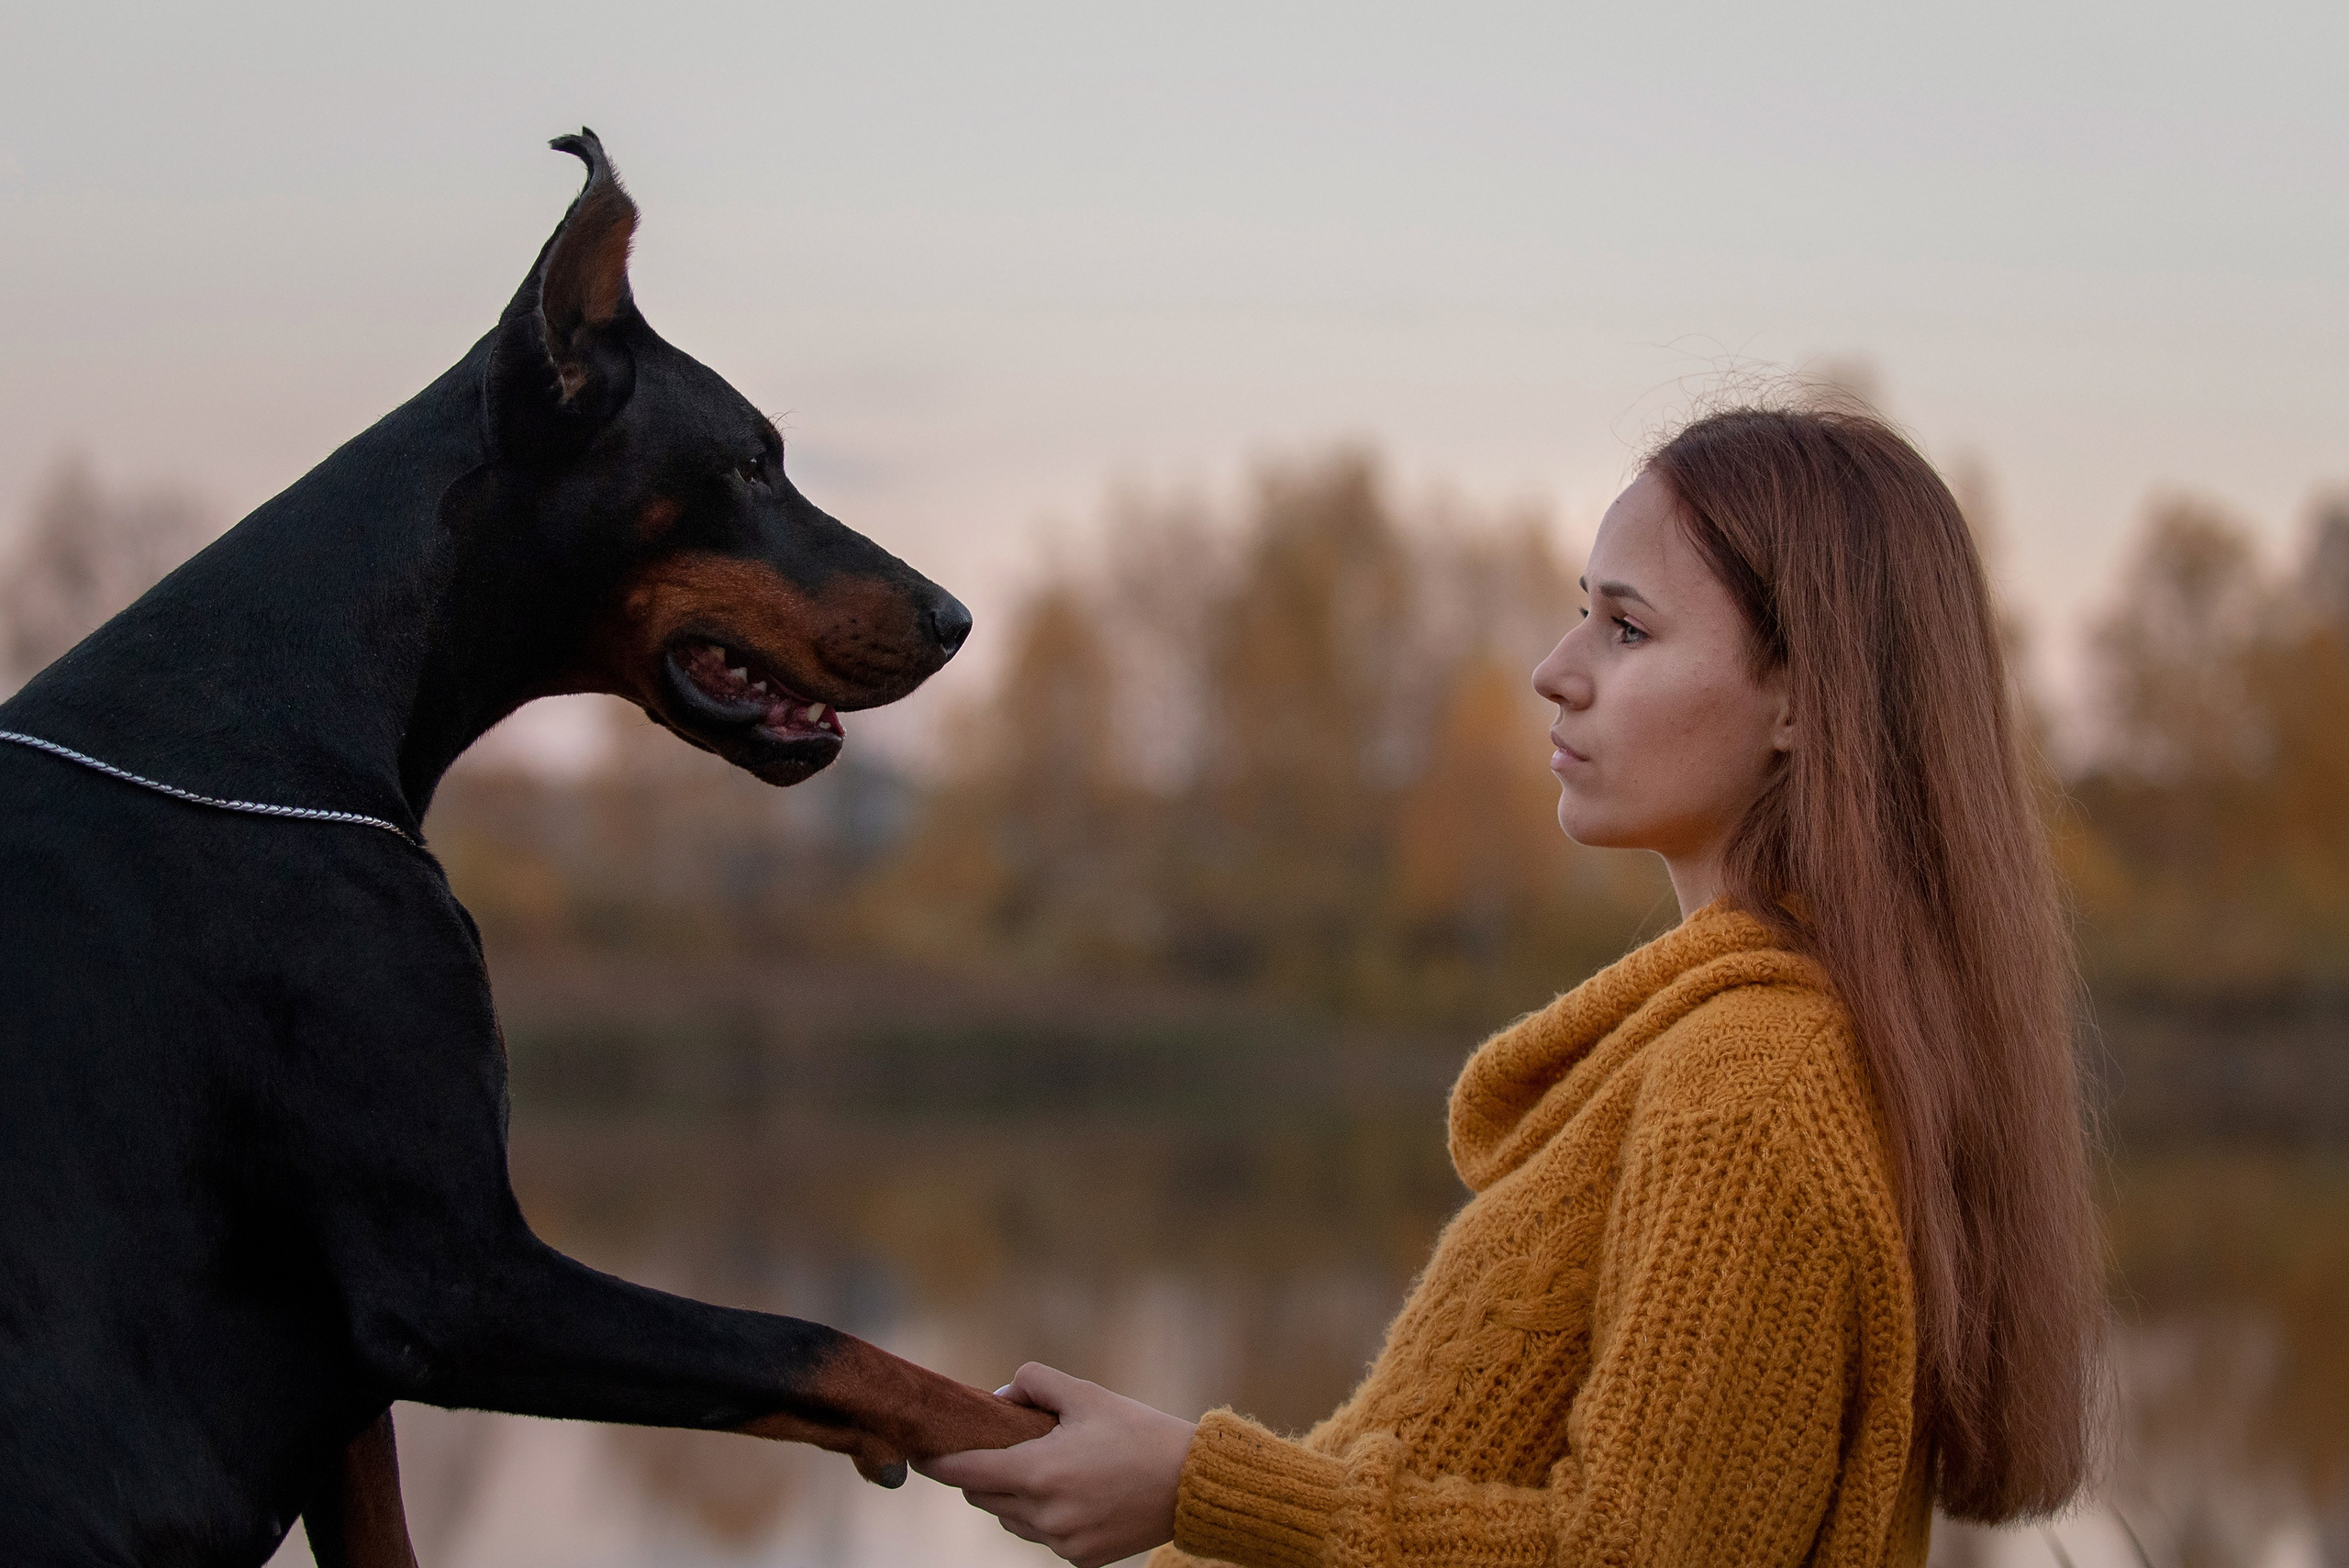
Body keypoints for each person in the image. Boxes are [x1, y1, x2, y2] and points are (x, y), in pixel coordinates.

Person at [922, 406, 2106, 1568]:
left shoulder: (1752, 1080)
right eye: (1578, 617)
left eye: (1627, 631)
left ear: (1803, 701)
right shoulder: (1739, 1045)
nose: (1555, 672)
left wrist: (1197, 1488)